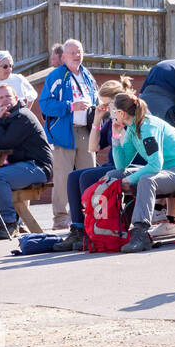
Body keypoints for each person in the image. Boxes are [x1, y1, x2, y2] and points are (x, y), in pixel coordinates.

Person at [103, 92, 175, 253]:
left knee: (147, 180)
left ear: (121, 113)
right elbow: (122, 164)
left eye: (113, 110)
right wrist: (115, 136)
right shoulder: (132, 128)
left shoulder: (148, 127)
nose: (111, 114)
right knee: (114, 175)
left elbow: (155, 165)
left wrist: (130, 179)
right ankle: (112, 228)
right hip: (165, 170)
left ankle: (140, 233)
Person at [54, 77, 133, 251]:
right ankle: (79, 229)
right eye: (104, 105)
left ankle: (95, 228)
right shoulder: (112, 119)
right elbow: (92, 148)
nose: (108, 109)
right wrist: (97, 119)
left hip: (130, 166)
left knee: (86, 177)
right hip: (114, 164)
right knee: (74, 176)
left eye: (109, 105)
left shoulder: (131, 117)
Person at [0, 84, 53, 240]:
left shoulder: (23, 116)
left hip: (38, 167)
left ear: (16, 98)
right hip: (20, 166)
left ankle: (10, 222)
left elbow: (6, 142)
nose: (5, 100)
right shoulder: (7, 118)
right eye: (1, 97)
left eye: (8, 96)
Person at [39, 39, 100, 230]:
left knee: (90, 173)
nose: (77, 56)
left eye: (79, 52)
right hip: (64, 130)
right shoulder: (56, 75)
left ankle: (91, 214)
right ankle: (60, 217)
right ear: (63, 57)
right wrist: (70, 106)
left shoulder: (87, 75)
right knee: (63, 175)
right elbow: (45, 104)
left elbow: (96, 98)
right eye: (72, 52)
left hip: (85, 130)